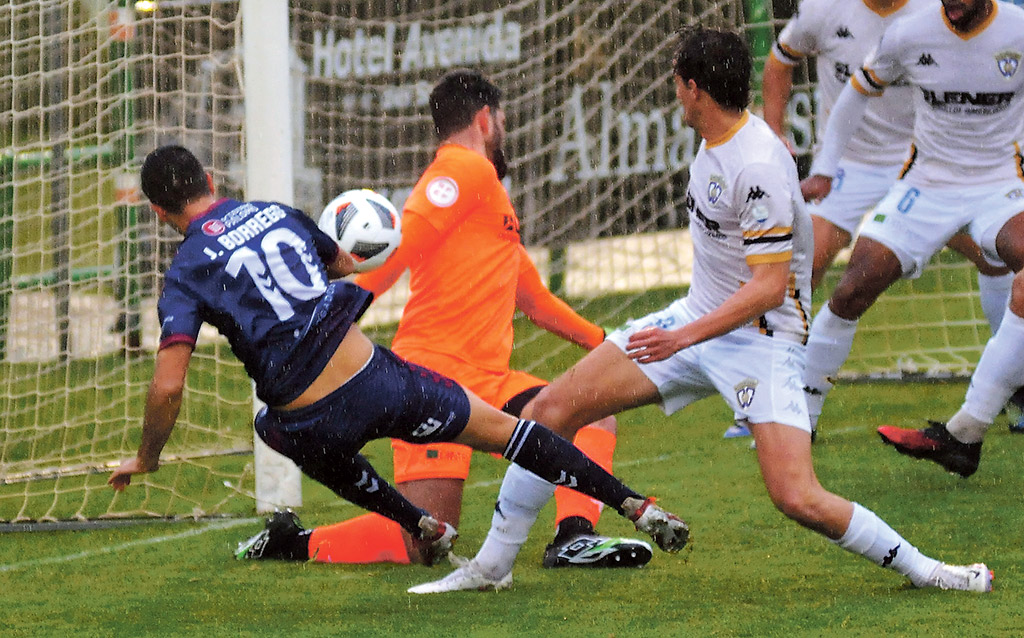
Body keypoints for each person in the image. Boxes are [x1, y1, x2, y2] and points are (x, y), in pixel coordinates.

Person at [409, 25, 992, 594]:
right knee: (551, 410)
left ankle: (932, 571)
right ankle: (492, 566)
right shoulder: (719, 138)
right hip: (695, 320)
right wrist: (684, 332)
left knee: (798, 496)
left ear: (693, 89)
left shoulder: (756, 167)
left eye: (676, 82)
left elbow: (769, 289)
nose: (674, 93)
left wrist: (682, 338)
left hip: (762, 340)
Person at [107, 144, 689, 576]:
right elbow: (344, 264)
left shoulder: (185, 272)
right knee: (511, 434)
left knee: (273, 426)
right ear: (211, 179)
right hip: (382, 380)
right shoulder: (278, 214)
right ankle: (635, 505)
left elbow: (168, 387)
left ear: (158, 212)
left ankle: (423, 523)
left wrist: (147, 457)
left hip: (310, 418)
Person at [233, 69, 651, 569]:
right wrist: (328, 324)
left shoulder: (487, 195)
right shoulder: (461, 170)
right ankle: (292, 541)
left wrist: (609, 343)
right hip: (433, 378)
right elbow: (399, 248)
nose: (504, 129)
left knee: (587, 414)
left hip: (489, 380)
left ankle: (574, 537)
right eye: (502, 120)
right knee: (424, 540)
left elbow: (535, 301)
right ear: (485, 119)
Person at [720, 0, 1016, 441]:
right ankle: (769, 401)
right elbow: (785, 66)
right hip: (858, 168)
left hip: (938, 168)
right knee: (809, 269)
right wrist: (785, 140)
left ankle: (1011, 389)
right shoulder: (832, 11)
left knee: (996, 260)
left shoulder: (962, 18)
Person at [795, 0, 1024, 471]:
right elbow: (855, 93)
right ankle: (800, 418)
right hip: (926, 186)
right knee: (852, 288)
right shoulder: (909, 33)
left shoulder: (1019, 30)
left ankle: (985, 415)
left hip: (1001, 185)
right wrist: (824, 168)